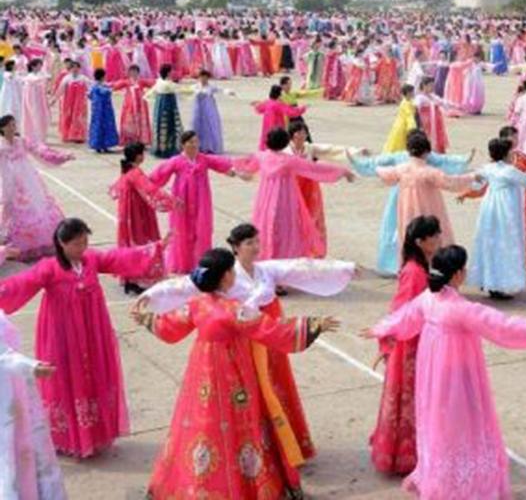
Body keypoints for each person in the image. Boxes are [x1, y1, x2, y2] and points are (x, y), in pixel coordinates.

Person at [138, 223, 355, 479]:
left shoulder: (205, 302)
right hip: (244, 350)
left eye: (256, 241)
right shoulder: (233, 309)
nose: (255, 246)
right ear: (233, 254)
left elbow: (302, 267)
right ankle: (250, 459)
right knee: (247, 401)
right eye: (249, 243)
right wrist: (309, 326)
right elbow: (270, 330)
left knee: (220, 405)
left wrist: (345, 269)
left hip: (221, 359)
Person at [364, 245, 526, 500]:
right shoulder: (461, 309)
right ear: (457, 274)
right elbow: (502, 326)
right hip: (457, 377)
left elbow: (403, 318)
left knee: (437, 423)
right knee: (465, 423)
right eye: (464, 268)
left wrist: (380, 328)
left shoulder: (428, 300)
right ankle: (462, 482)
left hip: (432, 377)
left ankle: (439, 475)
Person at [0, 218, 164, 457]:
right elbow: (21, 284)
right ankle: (70, 438)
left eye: (85, 242)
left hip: (93, 331)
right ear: (62, 244)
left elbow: (117, 258)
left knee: (95, 374)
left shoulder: (91, 260)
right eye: (77, 244)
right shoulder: (49, 267)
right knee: (67, 377)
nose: (82, 248)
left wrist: (155, 249)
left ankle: (97, 434)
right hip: (62, 334)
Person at [369, 215, 442, 476]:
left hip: (418, 340)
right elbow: (402, 310)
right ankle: (407, 453)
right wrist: (388, 343)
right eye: (434, 235)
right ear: (421, 241)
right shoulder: (414, 272)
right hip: (411, 345)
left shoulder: (421, 266)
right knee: (411, 398)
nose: (438, 238)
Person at [350, 132, 474, 275]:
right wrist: (470, 177)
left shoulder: (402, 168)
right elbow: (451, 181)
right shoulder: (430, 171)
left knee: (408, 235)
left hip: (406, 205)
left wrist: (360, 163)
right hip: (429, 206)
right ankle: (437, 266)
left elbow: (380, 168)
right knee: (433, 234)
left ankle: (410, 268)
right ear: (426, 150)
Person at [235, 127, 354, 260]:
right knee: (287, 227)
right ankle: (284, 255)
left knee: (266, 223)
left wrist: (232, 167)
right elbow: (315, 168)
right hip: (285, 199)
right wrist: (342, 171)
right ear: (285, 142)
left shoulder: (262, 156)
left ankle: (267, 253)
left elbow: (244, 164)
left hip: (265, 198)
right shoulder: (289, 160)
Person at [467, 137, 526, 298]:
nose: (513, 155)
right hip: (505, 212)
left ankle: (488, 281)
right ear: (505, 154)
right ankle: (501, 284)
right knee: (506, 244)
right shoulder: (509, 171)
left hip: (489, 209)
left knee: (490, 243)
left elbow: (476, 184)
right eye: (510, 152)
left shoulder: (487, 168)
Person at [148, 130, 239, 273]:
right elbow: (157, 176)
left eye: (196, 142)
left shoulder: (203, 159)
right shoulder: (176, 161)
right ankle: (182, 264)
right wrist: (151, 189)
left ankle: (201, 263)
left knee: (202, 231)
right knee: (181, 232)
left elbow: (221, 164)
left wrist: (234, 170)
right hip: (182, 202)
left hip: (202, 201)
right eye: (191, 142)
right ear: (183, 145)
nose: (195, 145)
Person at [0, 309, 64, 499]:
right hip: (6, 399)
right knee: (10, 449)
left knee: (24, 446)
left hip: (14, 391)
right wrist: (29, 366)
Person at [0, 113, 73, 260]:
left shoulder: (21, 141)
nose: (13, 128)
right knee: (14, 212)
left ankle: (43, 242)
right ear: (2, 128)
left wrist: (62, 156)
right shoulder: (1, 147)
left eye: (14, 124)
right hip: (10, 184)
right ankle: (18, 245)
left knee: (38, 207)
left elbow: (42, 151)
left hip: (29, 181)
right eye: (9, 125)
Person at [110, 142, 178, 294]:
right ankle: (137, 280)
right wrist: (172, 201)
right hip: (137, 215)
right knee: (140, 243)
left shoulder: (127, 171)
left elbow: (115, 189)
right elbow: (151, 190)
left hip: (127, 214)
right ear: (139, 156)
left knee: (129, 243)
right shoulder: (135, 173)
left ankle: (129, 279)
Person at [189, 68, 235, 154]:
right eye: (201, 77)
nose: (203, 79)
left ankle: (210, 146)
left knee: (210, 126)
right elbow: (185, 91)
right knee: (197, 126)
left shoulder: (210, 87)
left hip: (209, 110)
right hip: (198, 110)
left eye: (205, 77)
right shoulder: (195, 86)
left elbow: (221, 90)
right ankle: (198, 146)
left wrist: (228, 92)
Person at [252, 84, 306, 150]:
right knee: (277, 146)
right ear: (279, 94)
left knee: (266, 144)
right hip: (277, 129)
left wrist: (256, 104)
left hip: (267, 129)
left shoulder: (267, 102)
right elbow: (291, 112)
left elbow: (259, 109)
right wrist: (303, 108)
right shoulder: (279, 105)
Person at [55, 59, 89, 144]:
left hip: (80, 103)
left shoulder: (83, 78)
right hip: (68, 102)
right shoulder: (66, 78)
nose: (75, 69)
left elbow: (90, 88)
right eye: (73, 67)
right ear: (70, 69)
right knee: (68, 116)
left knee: (79, 118)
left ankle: (78, 136)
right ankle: (68, 135)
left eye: (77, 67)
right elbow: (60, 90)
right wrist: (54, 99)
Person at [86, 68, 119, 153]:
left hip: (96, 111)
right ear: (102, 77)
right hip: (104, 111)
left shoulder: (94, 86)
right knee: (105, 126)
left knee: (97, 126)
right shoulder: (101, 87)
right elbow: (107, 92)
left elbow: (89, 95)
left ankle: (98, 145)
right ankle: (104, 145)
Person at [381, 83, 419, 154]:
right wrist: (412, 128)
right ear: (408, 93)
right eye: (412, 92)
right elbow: (409, 116)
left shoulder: (408, 102)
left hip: (400, 124)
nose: (414, 93)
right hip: (403, 126)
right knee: (400, 143)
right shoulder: (406, 104)